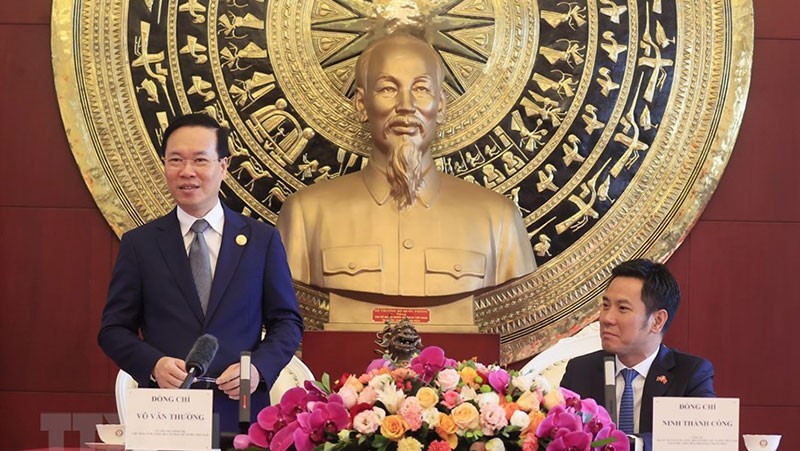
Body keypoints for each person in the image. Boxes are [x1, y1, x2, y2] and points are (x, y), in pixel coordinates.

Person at [276, 34, 536, 297]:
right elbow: (288, 326)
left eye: (421, 89)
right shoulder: (306, 216)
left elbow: (518, 328)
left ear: (441, 106)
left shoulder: (498, 220)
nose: (406, 106)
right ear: (361, 104)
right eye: (388, 89)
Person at [98, 113, 304, 433]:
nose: (187, 172)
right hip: (167, 415)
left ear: (223, 165)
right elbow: (113, 330)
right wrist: (153, 364)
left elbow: (287, 322)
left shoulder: (260, 240)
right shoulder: (140, 244)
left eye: (200, 160)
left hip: (242, 417)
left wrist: (258, 370)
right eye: (176, 160)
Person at [560, 259, 714, 450]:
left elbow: (700, 440)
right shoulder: (580, 371)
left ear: (657, 321)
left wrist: (628, 444)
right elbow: (561, 434)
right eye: (606, 305)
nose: (606, 318)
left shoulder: (691, 374)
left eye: (622, 308)